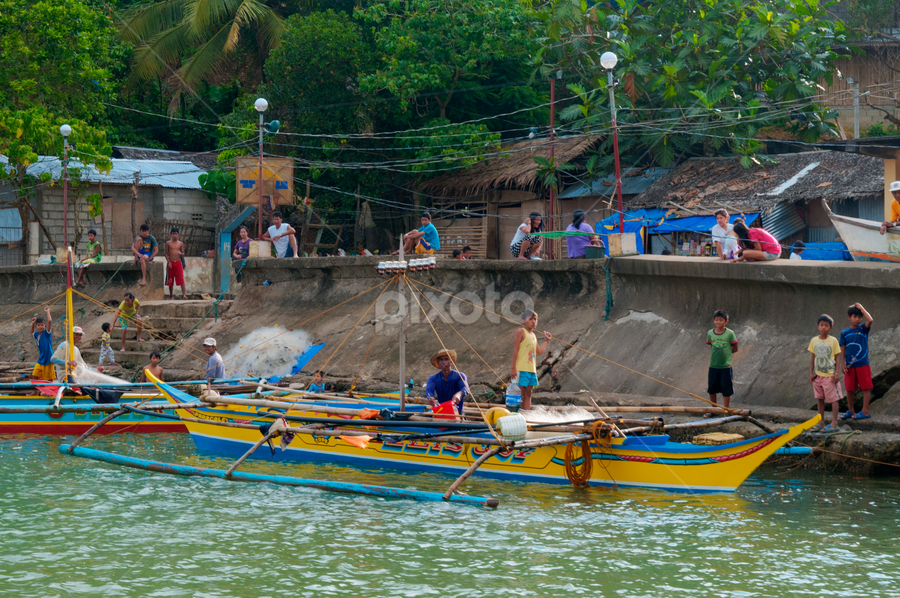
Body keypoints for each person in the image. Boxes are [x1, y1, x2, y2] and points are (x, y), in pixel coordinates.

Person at [510, 310, 552, 410]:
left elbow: (539, 351)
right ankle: (517, 415)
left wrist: (546, 340)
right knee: (520, 393)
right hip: (521, 369)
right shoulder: (521, 332)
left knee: (528, 393)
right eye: (531, 319)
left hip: (531, 370)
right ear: (524, 321)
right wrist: (513, 368)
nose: (534, 321)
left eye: (535, 319)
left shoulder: (534, 336)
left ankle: (526, 416)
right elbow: (515, 350)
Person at [840, 303, 874, 420]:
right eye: (855, 316)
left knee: (866, 387)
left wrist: (862, 308)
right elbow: (843, 348)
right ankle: (851, 410)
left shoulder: (863, 329)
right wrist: (842, 363)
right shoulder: (844, 333)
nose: (858, 319)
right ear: (849, 317)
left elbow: (870, 319)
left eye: (860, 317)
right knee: (849, 388)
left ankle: (865, 411)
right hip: (849, 365)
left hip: (863, 363)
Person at [809, 314, 843, 432]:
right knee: (820, 399)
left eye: (826, 325)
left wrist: (837, 373)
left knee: (834, 399)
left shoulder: (833, 341)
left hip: (830, 376)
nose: (823, 327)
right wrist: (811, 372)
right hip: (818, 376)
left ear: (831, 327)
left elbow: (837, 357)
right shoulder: (814, 341)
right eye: (821, 325)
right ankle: (821, 422)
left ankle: (834, 423)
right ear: (818, 326)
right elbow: (813, 357)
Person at [706, 309, 738, 411]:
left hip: (726, 366)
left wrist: (726, 353)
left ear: (726, 322)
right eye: (716, 320)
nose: (718, 322)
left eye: (721, 320)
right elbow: (711, 345)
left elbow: (735, 348)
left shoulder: (730, 333)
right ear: (713, 321)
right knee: (711, 388)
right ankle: (714, 409)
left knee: (726, 388)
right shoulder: (710, 333)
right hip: (713, 365)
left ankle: (726, 410)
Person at [426, 349, 468, 415]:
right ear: (438, 362)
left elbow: (465, 388)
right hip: (442, 413)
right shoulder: (433, 378)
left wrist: (459, 394)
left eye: (446, 359)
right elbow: (429, 390)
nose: (443, 362)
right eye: (441, 360)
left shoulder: (459, 376)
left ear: (451, 362)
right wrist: (430, 397)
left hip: (458, 413)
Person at [30, 306, 54, 380]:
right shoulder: (37, 334)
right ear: (36, 327)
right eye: (38, 325)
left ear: (45, 326)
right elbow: (31, 333)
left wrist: (47, 312)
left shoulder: (47, 333)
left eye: (42, 325)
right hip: (41, 359)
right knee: (35, 375)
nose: (40, 327)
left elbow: (49, 321)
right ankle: (36, 391)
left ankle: (49, 391)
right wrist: (33, 323)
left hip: (48, 359)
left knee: (48, 379)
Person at [165, 228, 187, 300]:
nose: (174, 235)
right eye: (173, 234)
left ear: (178, 234)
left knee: (181, 279)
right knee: (170, 280)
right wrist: (168, 262)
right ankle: (171, 296)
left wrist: (181, 253)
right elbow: (166, 254)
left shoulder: (180, 243)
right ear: (171, 234)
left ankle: (184, 295)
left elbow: (183, 254)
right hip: (171, 263)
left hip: (178, 263)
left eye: (176, 234)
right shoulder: (168, 243)